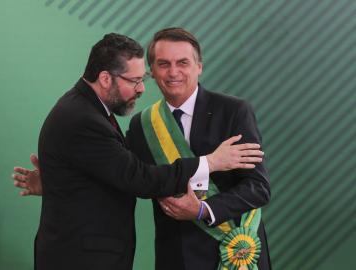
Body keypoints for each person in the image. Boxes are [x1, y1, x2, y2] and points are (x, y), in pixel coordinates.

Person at [13, 32, 265, 270]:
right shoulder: (142, 124)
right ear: (152, 71)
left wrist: (203, 210)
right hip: (174, 256)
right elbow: (137, 177)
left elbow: (258, 188)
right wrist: (62, 182)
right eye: (163, 64)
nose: (173, 72)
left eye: (183, 62)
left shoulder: (234, 111)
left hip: (234, 252)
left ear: (199, 66)